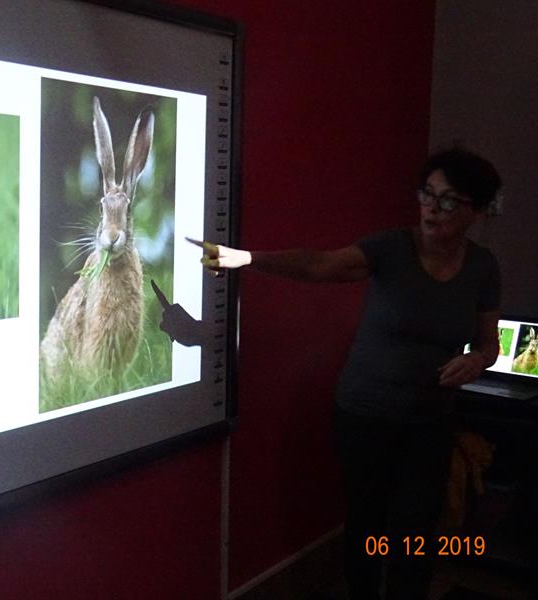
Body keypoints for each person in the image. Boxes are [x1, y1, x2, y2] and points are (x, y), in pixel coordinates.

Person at [191, 148, 502, 600]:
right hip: (365, 416)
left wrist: (476, 360)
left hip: (430, 421)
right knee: (367, 523)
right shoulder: (391, 248)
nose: (432, 208)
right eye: (427, 194)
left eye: (448, 200)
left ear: (476, 211)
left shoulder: (482, 267)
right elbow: (320, 264)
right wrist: (245, 259)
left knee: (415, 529)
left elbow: (490, 345)